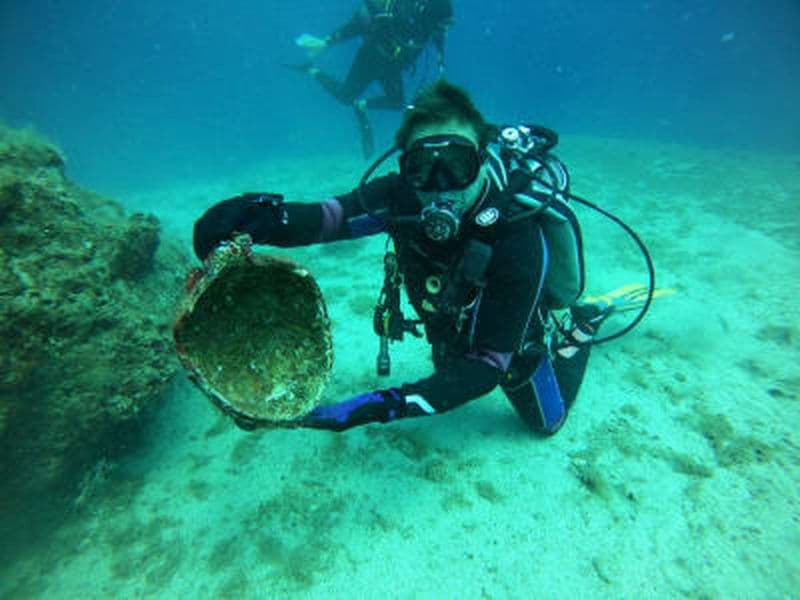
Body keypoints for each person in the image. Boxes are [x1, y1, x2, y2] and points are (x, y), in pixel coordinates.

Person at [192, 80, 656, 435]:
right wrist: (257, 218)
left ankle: (580, 328)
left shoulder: (518, 235)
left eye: (456, 164)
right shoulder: (399, 198)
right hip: (449, 324)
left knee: (544, 425)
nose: (440, 185)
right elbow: (328, 219)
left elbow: (487, 367)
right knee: (447, 365)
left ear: (481, 157)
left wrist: (373, 408)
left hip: (507, 340)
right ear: (404, 168)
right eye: (422, 166)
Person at [288, 0, 454, 157]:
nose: (445, 31)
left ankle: (361, 106)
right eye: (443, 25)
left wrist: (441, 69)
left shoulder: (431, 27)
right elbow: (359, 25)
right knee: (346, 97)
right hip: (370, 57)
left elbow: (438, 47)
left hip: (391, 66)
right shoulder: (401, 14)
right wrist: (327, 42)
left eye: (447, 25)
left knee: (397, 103)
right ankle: (311, 69)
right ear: (429, 17)